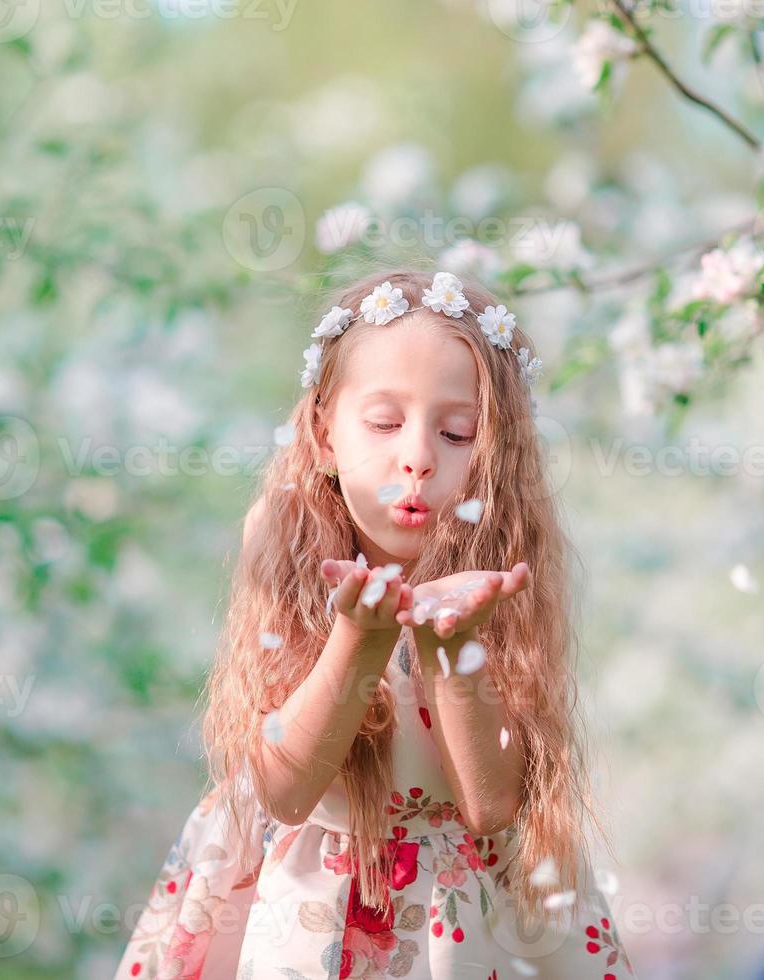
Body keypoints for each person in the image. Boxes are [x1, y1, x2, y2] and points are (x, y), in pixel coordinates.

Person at [113, 268, 635, 979]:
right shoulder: (290, 544)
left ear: (497, 454)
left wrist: (451, 644)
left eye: (458, 433)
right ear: (325, 433)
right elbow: (287, 791)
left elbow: (489, 806)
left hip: (461, 924)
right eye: (385, 424)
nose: (416, 457)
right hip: (310, 908)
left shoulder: (502, 571)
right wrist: (360, 638)